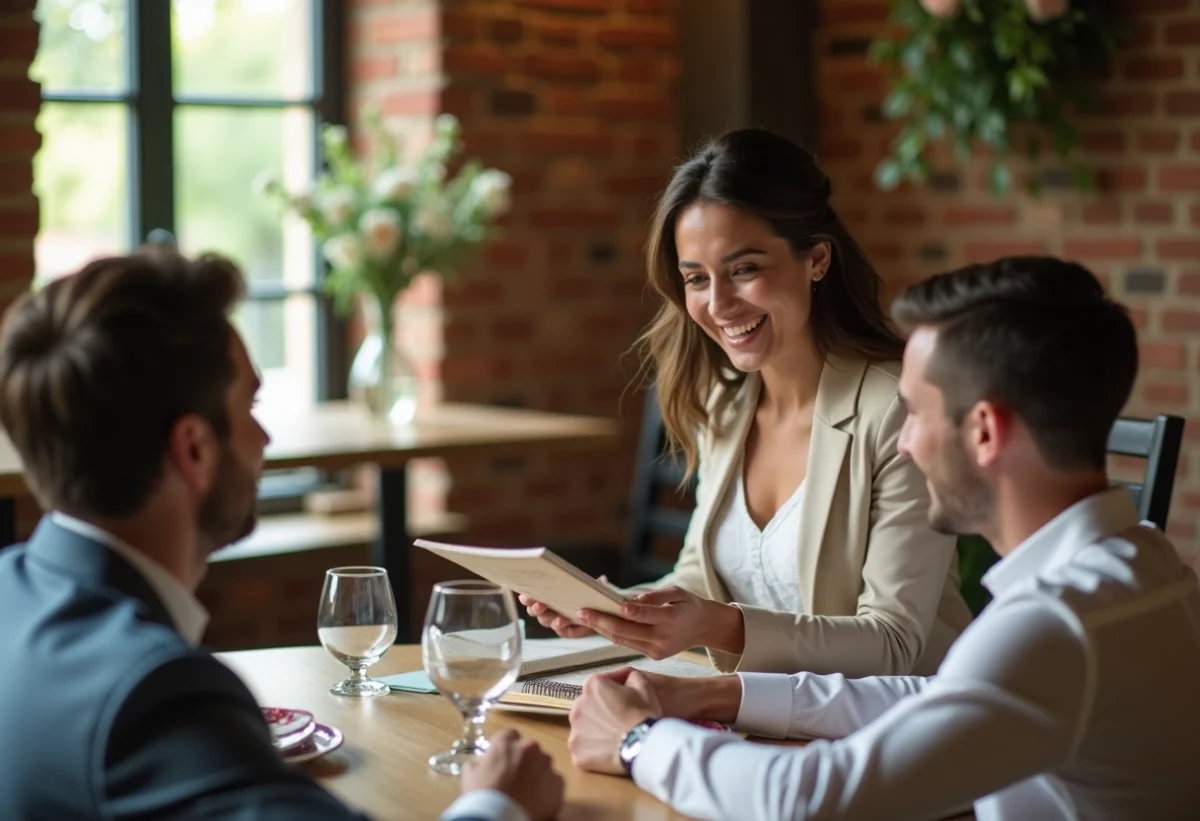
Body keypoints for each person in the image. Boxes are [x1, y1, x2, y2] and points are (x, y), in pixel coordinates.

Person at [565, 255, 1200, 820]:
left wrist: (639, 740)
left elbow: (810, 798)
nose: (902, 442)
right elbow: (948, 696)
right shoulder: (1145, 567)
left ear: (984, 431)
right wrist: (723, 694)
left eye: (917, 413)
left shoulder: (1054, 624)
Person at [0, 249, 563, 821]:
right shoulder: (156, 695)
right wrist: (497, 803)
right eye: (250, 405)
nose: (264, 436)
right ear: (194, 448)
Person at [523, 128, 971, 677]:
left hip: (896, 730)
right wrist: (615, 613)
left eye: (745, 269)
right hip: (764, 716)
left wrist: (715, 625)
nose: (719, 304)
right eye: (695, 279)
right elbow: (700, 577)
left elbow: (894, 642)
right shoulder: (725, 403)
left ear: (817, 260)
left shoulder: (897, 408)